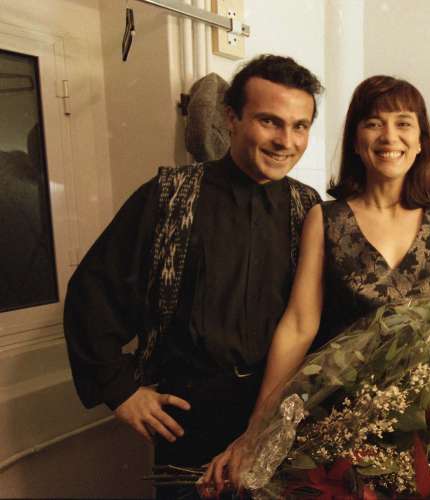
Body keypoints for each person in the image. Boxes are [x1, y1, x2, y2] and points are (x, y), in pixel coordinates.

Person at [200, 75, 430, 494]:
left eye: (403, 123)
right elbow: (298, 326)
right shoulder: (325, 219)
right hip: (341, 420)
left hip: (427, 417)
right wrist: (258, 429)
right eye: (373, 123)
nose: (389, 136)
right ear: (356, 141)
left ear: (421, 142)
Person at [63, 54, 323, 484]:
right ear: (231, 118)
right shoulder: (168, 196)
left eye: (300, 126)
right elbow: (92, 292)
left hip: (280, 414)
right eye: (269, 122)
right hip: (188, 417)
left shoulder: (310, 208)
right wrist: (119, 389)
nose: (286, 141)